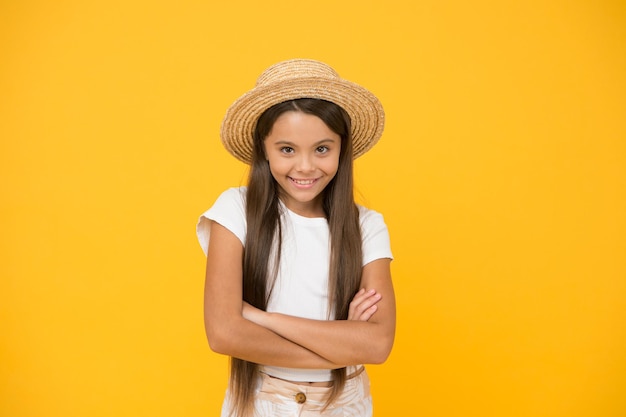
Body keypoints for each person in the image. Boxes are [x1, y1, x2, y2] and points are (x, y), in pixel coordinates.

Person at [196, 59, 395, 417]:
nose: (305, 167)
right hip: (261, 403)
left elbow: (378, 344)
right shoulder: (234, 210)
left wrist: (262, 318)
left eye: (322, 149)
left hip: (345, 405)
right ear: (264, 148)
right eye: (287, 150)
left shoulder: (367, 226)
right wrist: (343, 343)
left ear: (341, 149)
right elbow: (224, 334)